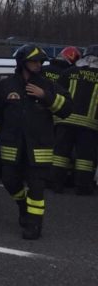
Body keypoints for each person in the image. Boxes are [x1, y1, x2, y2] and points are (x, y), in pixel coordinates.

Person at [0, 44, 72, 240]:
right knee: (9, 181)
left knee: (37, 188)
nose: (39, 64)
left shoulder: (47, 84)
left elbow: (66, 109)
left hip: (39, 147)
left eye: (40, 61)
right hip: (12, 146)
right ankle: (23, 205)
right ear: (23, 62)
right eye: (34, 61)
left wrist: (45, 97)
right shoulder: (5, 85)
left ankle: (34, 226)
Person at [51, 45, 98, 195]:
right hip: (89, 124)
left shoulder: (69, 72)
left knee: (60, 154)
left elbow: (55, 93)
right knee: (85, 158)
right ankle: (83, 187)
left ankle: (55, 184)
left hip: (64, 120)